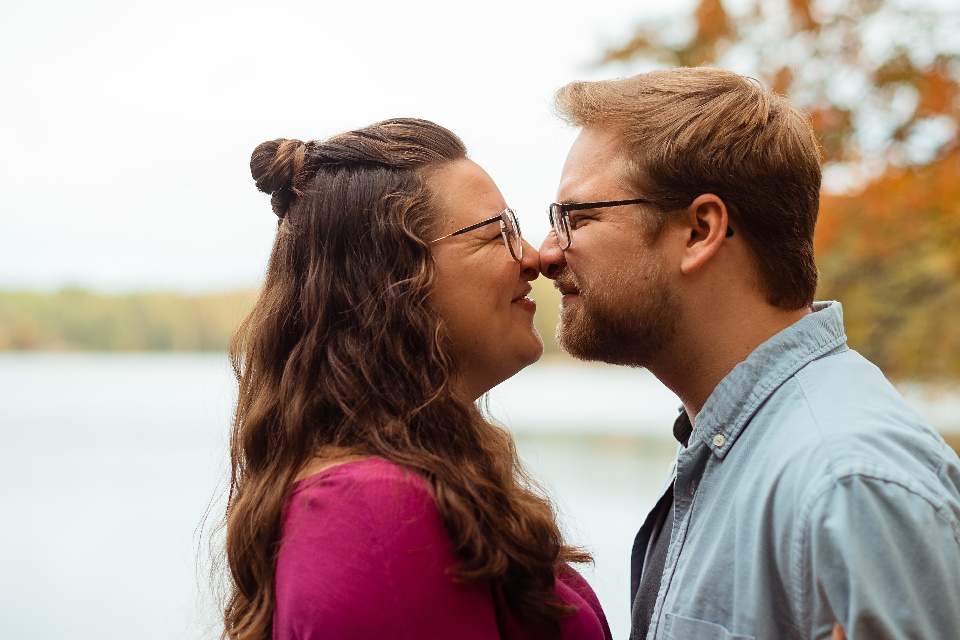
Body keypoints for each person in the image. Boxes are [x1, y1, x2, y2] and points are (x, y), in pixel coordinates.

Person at [537, 67, 960, 640]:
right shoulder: (738, 447)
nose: (546, 253)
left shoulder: (847, 482)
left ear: (700, 230)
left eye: (577, 217)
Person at [220, 118, 612, 640]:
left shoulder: (404, 484)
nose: (533, 258)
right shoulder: (371, 511)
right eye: (498, 234)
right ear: (393, 279)